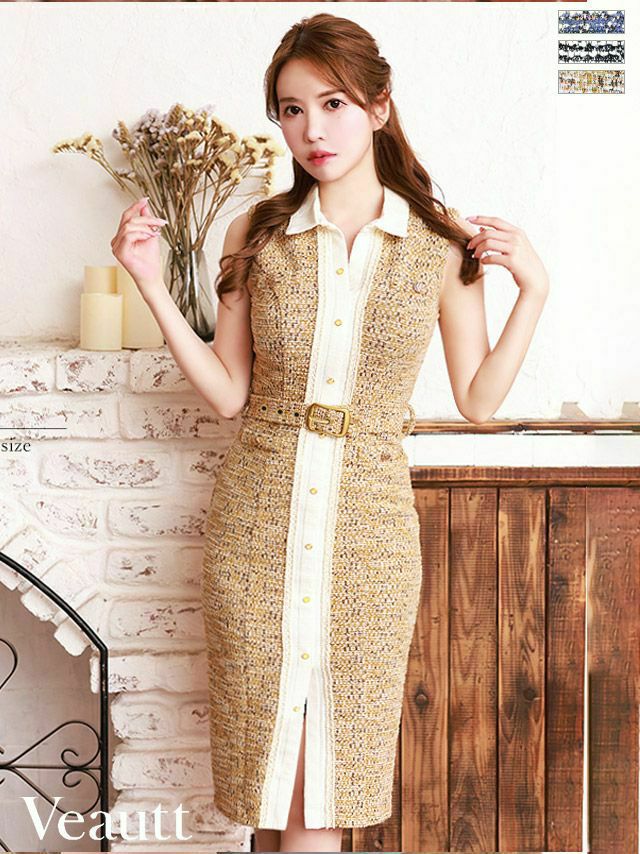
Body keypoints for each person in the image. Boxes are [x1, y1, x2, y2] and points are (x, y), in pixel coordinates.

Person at [110, 13, 549, 853]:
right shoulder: (256, 233)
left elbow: (479, 399)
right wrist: (150, 283)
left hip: (370, 541)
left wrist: (533, 290)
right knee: (268, 785)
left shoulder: (440, 246)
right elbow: (228, 394)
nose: (313, 129)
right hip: (256, 530)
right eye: (291, 109)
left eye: (334, 103)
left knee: (328, 787)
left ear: (379, 107)